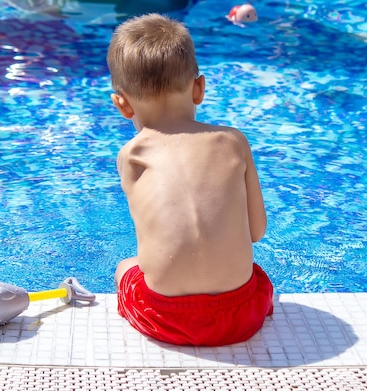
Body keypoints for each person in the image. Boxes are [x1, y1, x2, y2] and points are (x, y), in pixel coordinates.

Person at [107, 13, 273, 346]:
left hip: (165, 318)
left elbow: (154, 244)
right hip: (243, 313)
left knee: (126, 266)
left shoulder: (131, 157)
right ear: (199, 88)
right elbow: (256, 233)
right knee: (257, 277)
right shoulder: (233, 141)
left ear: (122, 105)